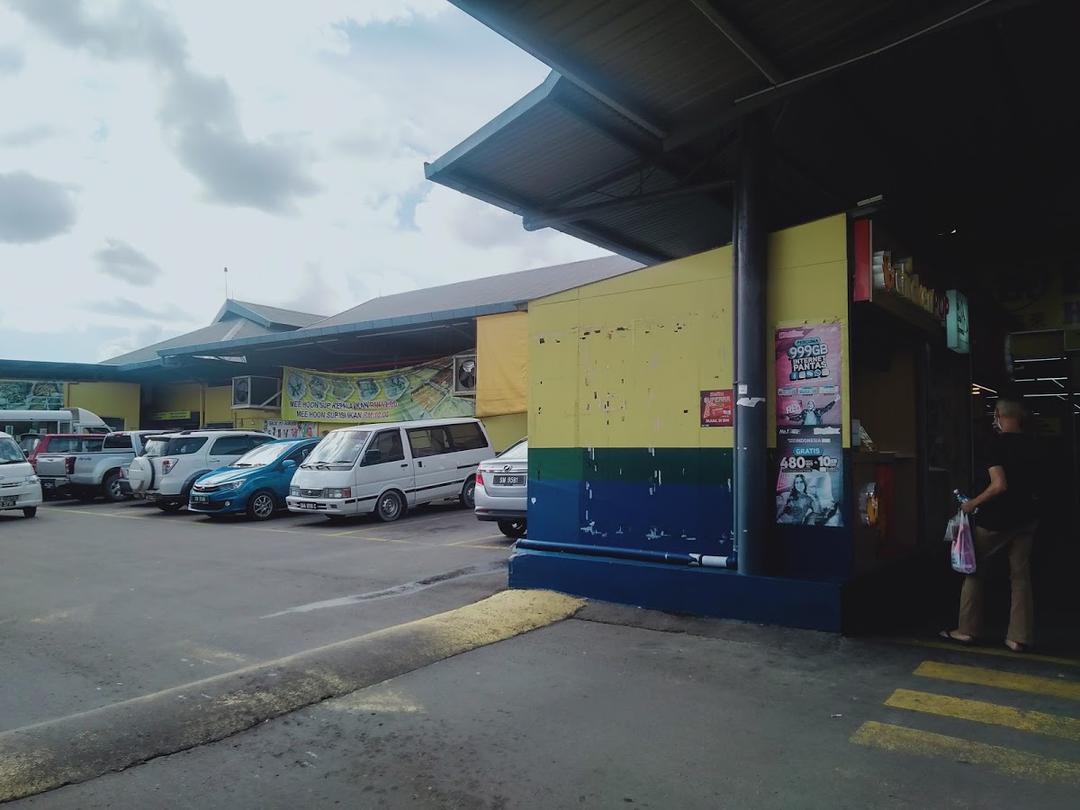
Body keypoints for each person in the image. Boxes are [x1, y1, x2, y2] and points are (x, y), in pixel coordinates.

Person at [941, 397, 1039, 651]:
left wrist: (972, 503)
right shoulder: (1034, 444)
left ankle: (967, 630)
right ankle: (1019, 637)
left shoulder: (993, 445)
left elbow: (999, 485)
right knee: (1020, 577)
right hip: (1027, 518)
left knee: (973, 569)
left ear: (998, 415)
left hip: (996, 520)